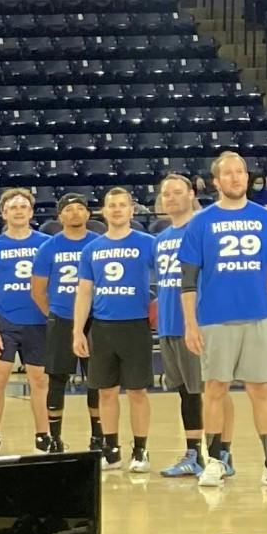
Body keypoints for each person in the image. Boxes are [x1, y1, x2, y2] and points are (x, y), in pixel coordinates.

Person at [179, 151, 267, 489]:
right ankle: (214, 461)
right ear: (216, 182)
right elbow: (188, 279)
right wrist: (190, 322)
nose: (235, 177)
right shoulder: (201, 222)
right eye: (227, 173)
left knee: (261, 390)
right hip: (214, 319)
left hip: (257, 317)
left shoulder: (265, 218)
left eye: (240, 171)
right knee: (215, 389)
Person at [71, 188, 157, 471]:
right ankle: (111, 448)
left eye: (123, 205)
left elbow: (168, 279)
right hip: (103, 327)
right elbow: (84, 292)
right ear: (104, 212)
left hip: (135, 326)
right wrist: (78, 331)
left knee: (137, 392)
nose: (118, 210)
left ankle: (141, 450)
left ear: (132, 211)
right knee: (105, 391)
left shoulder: (148, 243)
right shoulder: (91, 249)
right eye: (112, 205)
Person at [154, 174, 230, 479]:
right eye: (166, 194)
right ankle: (194, 454)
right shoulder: (160, 239)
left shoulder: (203, 230)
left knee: (212, 390)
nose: (171, 198)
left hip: (198, 324)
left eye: (177, 192)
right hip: (170, 324)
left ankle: (221, 455)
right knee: (186, 393)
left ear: (191, 195)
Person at [0, 188, 51, 457]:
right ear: (4, 212)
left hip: (38, 322)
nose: (18, 211)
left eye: (23, 207)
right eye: (13, 207)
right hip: (5, 322)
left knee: (39, 380)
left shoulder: (46, 243)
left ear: (31, 212)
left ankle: (43, 436)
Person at [31, 193, 102, 453]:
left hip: (95, 319)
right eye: (69, 209)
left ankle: (98, 437)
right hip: (61, 319)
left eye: (80, 208)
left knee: (96, 379)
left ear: (88, 214)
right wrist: (54, 314)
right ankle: (55, 438)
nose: (74, 213)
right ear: (60, 216)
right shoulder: (49, 247)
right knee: (57, 378)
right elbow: (37, 290)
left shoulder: (98, 244)